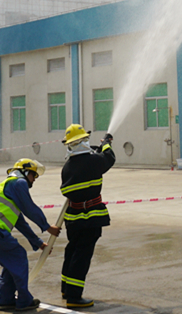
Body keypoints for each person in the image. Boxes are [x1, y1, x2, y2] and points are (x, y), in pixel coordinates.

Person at [0, 158, 60, 312]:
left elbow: (20, 222)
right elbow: (29, 207)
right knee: (18, 256)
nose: (34, 180)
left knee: (10, 262)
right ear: (25, 172)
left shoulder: (7, 187)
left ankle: (6, 300)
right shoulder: (18, 183)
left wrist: (39, 243)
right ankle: (24, 300)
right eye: (34, 176)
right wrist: (46, 226)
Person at [58, 124, 116, 308]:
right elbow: (109, 158)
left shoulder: (67, 167)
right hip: (90, 218)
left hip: (73, 218)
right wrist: (106, 143)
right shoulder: (94, 162)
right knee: (82, 255)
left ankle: (66, 288)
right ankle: (74, 297)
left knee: (72, 250)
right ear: (83, 142)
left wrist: (99, 151)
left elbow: (88, 164)